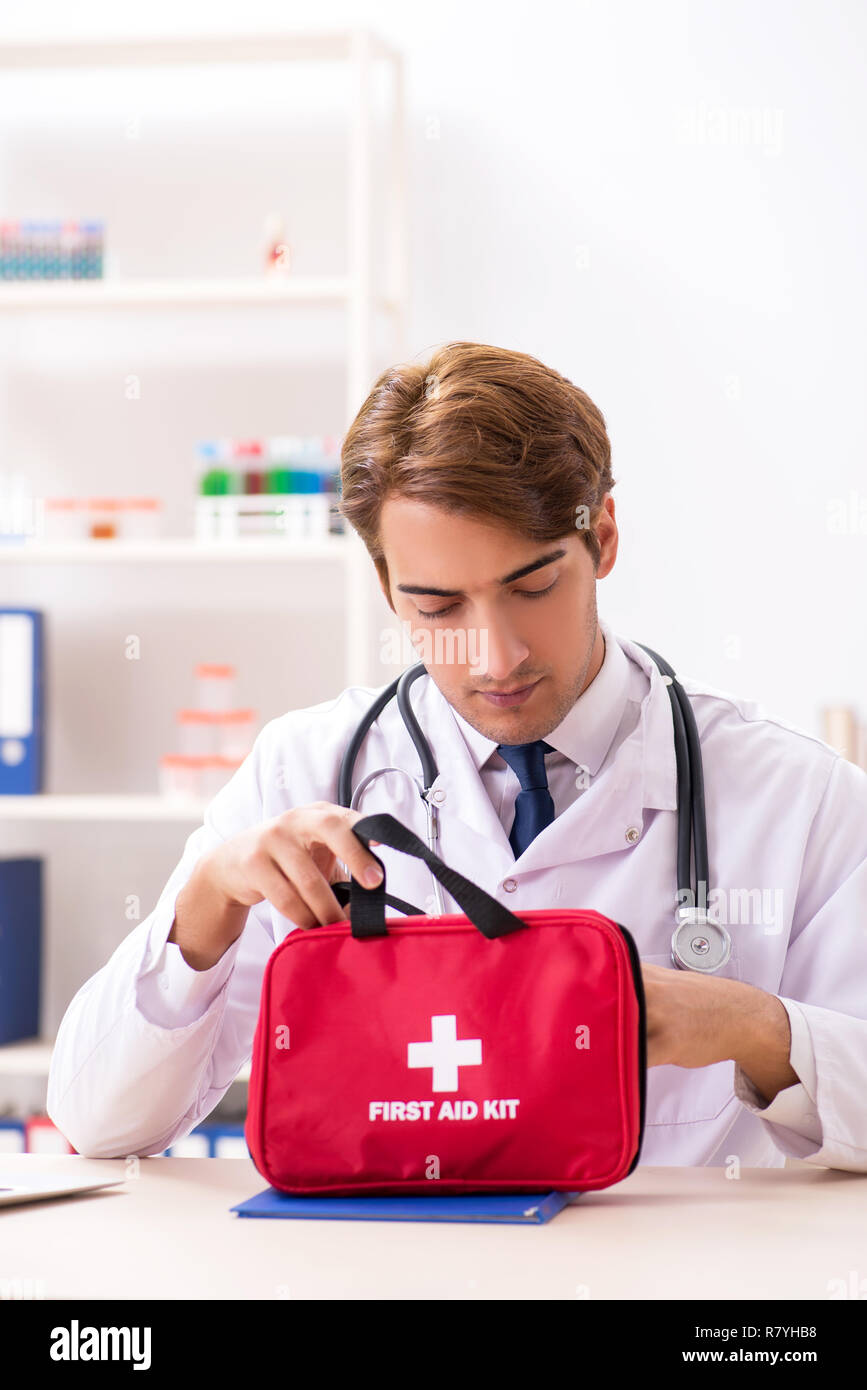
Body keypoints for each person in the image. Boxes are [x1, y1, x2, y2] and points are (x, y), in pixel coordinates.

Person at [48, 341, 867, 1170]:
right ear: (383, 583)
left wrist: (757, 1030)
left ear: (603, 539)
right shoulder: (303, 770)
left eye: (533, 587)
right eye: (438, 606)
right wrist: (205, 909)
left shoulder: (800, 798)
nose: (495, 657)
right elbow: (99, 1124)